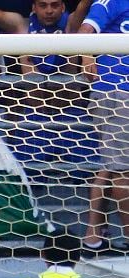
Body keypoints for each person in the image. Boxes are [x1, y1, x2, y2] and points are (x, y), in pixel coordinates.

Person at [76, 0, 129, 254]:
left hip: (117, 93)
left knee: (110, 165)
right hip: (118, 92)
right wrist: (86, 54)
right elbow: (86, 29)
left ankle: (93, 235)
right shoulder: (113, 0)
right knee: (122, 170)